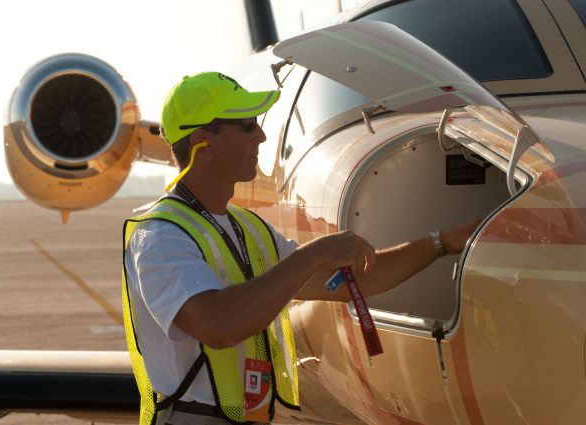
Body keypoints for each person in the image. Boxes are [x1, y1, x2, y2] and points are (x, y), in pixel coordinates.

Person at [122, 72, 477, 425]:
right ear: (203, 141)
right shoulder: (159, 236)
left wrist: (443, 242)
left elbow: (362, 280)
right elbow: (218, 325)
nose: (260, 136)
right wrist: (313, 254)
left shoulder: (249, 229)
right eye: (247, 125)